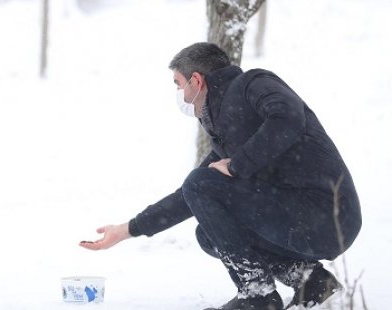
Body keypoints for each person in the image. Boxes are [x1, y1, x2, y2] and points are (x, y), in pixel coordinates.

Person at [79, 42, 362, 310]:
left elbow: (287, 116)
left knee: (201, 186)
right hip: (304, 219)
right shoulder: (228, 134)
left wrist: (238, 165)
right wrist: (128, 229)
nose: (179, 94)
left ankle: (257, 295)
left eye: (178, 84)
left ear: (197, 81)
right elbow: (188, 196)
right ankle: (311, 280)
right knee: (209, 233)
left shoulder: (254, 83)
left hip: (328, 213)